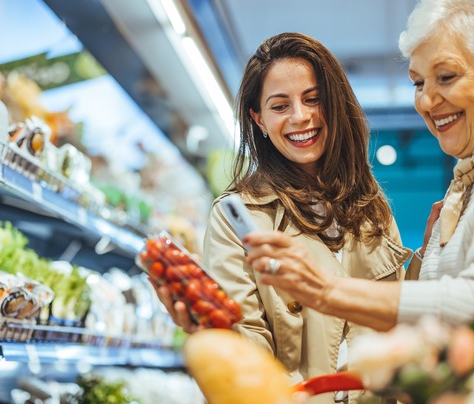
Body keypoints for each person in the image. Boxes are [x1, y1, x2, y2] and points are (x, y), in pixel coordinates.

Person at [243, 0, 474, 361]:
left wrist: (328, 291)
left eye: (446, 77)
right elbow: (436, 321)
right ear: (258, 119)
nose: (427, 101)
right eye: (418, 82)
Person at [155, 32, 412, 393]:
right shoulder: (237, 217)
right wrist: (212, 331)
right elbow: (248, 351)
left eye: (313, 99)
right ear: (258, 119)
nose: (300, 117)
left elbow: (398, 321)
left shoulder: (372, 207)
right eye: (280, 106)